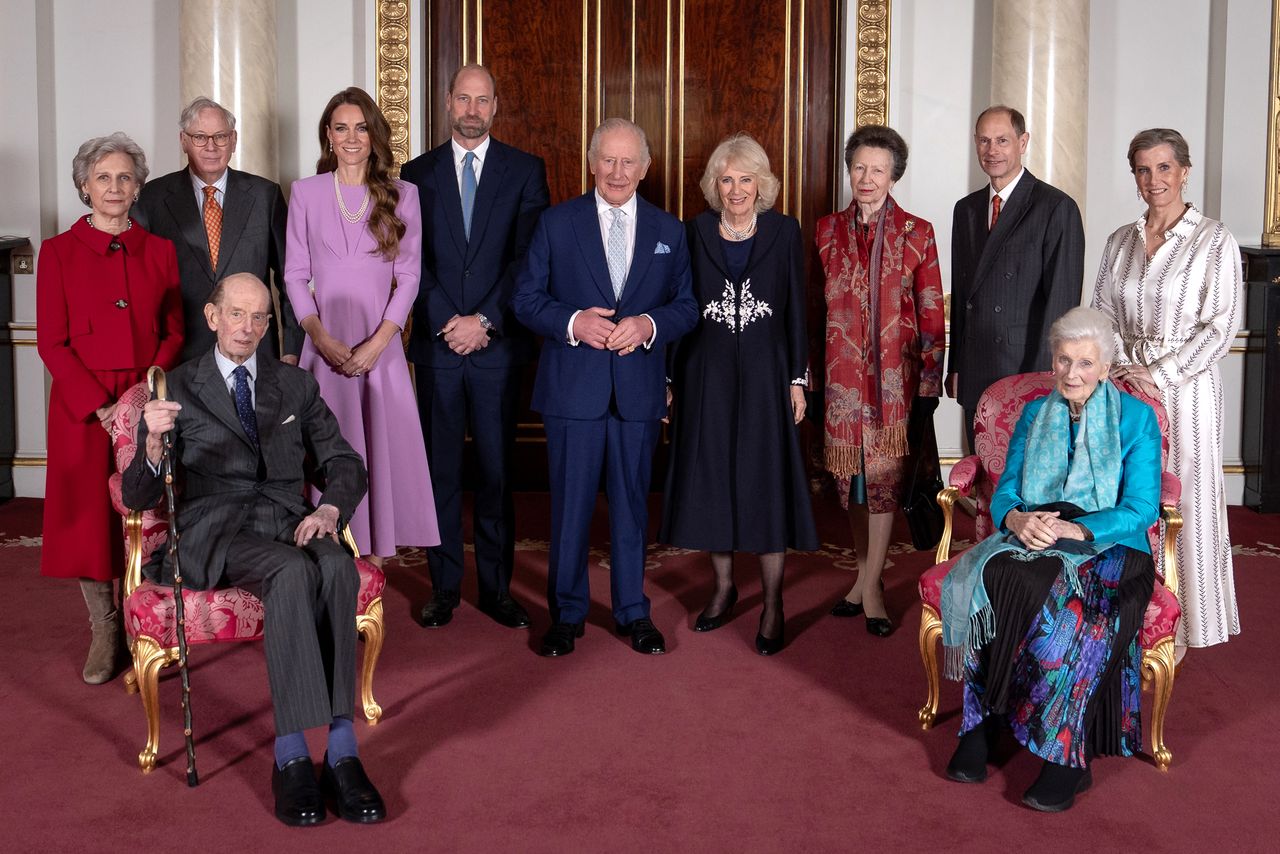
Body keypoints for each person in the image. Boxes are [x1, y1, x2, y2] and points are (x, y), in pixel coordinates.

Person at [122, 273, 385, 827]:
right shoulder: (176, 388)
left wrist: (329, 510)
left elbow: (343, 461)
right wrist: (150, 442)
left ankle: (342, 750)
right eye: (236, 314)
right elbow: (138, 496)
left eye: (259, 317)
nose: (248, 327)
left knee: (337, 567)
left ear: (269, 324)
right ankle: (291, 755)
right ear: (212, 317)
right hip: (216, 527)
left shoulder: (294, 387)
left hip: (291, 518)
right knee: (291, 573)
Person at [939, 306, 1161, 813]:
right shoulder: (1036, 413)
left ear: (1105, 367)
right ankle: (985, 720)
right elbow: (1006, 491)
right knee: (990, 577)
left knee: (1078, 612)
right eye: (1063, 361)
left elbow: (1142, 507)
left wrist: (1077, 526)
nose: (1072, 374)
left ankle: (1066, 755)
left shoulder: (1137, 418)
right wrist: (1017, 521)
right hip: (1038, 530)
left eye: (1085, 363)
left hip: (1111, 542)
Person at [513, 117, 698, 657]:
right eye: (608, 160)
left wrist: (648, 326)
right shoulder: (555, 223)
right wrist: (573, 322)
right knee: (570, 507)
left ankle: (632, 612)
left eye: (628, 162)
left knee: (632, 508)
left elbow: (687, 306)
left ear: (645, 168)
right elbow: (525, 299)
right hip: (573, 389)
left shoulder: (669, 230)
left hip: (638, 390)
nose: (617, 172)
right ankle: (567, 616)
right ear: (592, 163)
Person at [400, 64, 550, 630]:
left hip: (497, 348)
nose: (471, 109)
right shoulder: (414, 174)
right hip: (438, 349)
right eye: (462, 98)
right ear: (446, 102)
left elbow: (529, 259)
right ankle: (443, 587)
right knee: (439, 473)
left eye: (482, 100)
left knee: (494, 473)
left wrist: (484, 319)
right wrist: (447, 321)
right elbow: (411, 261)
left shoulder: (525, 171)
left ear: (496, 106)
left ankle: (496, 588)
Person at [659, 132, 817, 655]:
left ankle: (773, 603)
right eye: (726, 180)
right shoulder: (694, 231)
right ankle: (724, 588)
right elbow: (678, 306)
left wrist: (797, 378)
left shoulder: (783, 231)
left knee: (764, 482)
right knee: (712, 481)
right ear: (714, 185)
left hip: (769, 377)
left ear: (761, 183)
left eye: (745, 179)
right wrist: (668, 378)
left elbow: (797, 309)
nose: (735, 189)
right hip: (706, 376)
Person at [36, 132, 184, 684]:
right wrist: (101, 406)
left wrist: (143, 393)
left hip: (146, 401)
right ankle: (106, 629)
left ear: (138, 186)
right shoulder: (57, 252)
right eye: (104, 178)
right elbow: (52, 341)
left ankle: (146, 622)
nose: (115, 187)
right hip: (83, 407)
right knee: (91, 520)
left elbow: (175, 331)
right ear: (84, 186)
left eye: (125, 177)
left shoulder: (160, 249)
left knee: (148, 511)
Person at [1090, 128, 1243, 652]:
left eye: (1163, 168)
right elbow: (1102, 313)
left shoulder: (1214, 239)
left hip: (1187, 390)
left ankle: (1182, 625)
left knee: (1186, 500)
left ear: (1184, 171)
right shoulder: (1119, 241)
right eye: (1142, 169)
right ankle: (1127, 614)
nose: (1153, 180)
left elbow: (1221, 327)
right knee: (1128, 496)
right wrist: (1116, 367)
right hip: (1124, 387)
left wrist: (1159, 372)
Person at [284, 86, 439, 566]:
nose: (352, 137)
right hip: (324, 348)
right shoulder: (305, 192)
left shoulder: (404, 194)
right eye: (341, 127)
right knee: (324, 449)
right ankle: (321, 563)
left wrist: (378, 343)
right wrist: (319, 335)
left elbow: (409, 277)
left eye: (361, 127)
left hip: (381, 349)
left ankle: (370, 568)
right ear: (328, 137)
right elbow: (293, 273)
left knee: (377, 451)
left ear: (375, 134)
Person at [818, 125, 945, 637]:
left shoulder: (919, 232)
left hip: (896, 383)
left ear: (894, 176)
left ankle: (872, 586)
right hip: (839, 378)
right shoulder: (826, 230)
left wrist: (930, 385)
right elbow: (813, 306)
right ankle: (861, 573)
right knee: (852, 483)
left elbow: (933, 311)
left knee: (886, 484)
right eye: (859, 168)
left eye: (877, 170)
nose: (866, 178)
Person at [947, 105, 1085, 449]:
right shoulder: (966, 209)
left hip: (1025, 367)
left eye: (1002, 140)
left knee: (1025, 476)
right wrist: (956, 366)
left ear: (1023, 142)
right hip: (976, 366)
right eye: (984, 141)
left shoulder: (1055, 207)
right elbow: (965, 294)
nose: (992, 150)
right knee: (982, 470)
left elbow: (1062, 303)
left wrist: (1047, 375)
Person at [133, 96, 302, 364]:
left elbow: (289, 279)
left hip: (253, 350)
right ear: (183, 141)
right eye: (200, 137)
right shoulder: (152, 198)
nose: (211, 146)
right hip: (178, 356)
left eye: (220, 137)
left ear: (233, 141)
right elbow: (137, 285)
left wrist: (292, 349)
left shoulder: (265, 196)